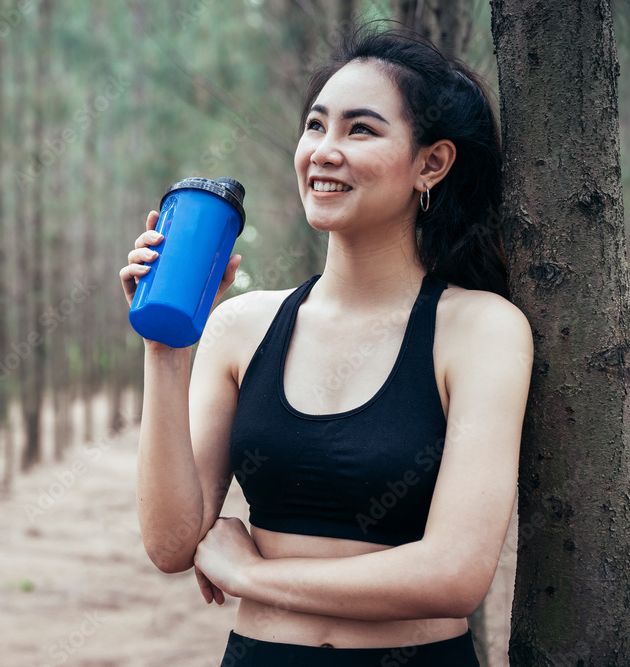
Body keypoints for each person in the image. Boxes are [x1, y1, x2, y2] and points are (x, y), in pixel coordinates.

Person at [118, 24, 533, 666]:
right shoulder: (241, 326)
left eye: (360, 130)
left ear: (432, 163)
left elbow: (454, 575)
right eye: (316, 126)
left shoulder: (480, 329)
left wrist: (249, 574)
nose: (324, 151)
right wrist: (165, 350)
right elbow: (173, 544)